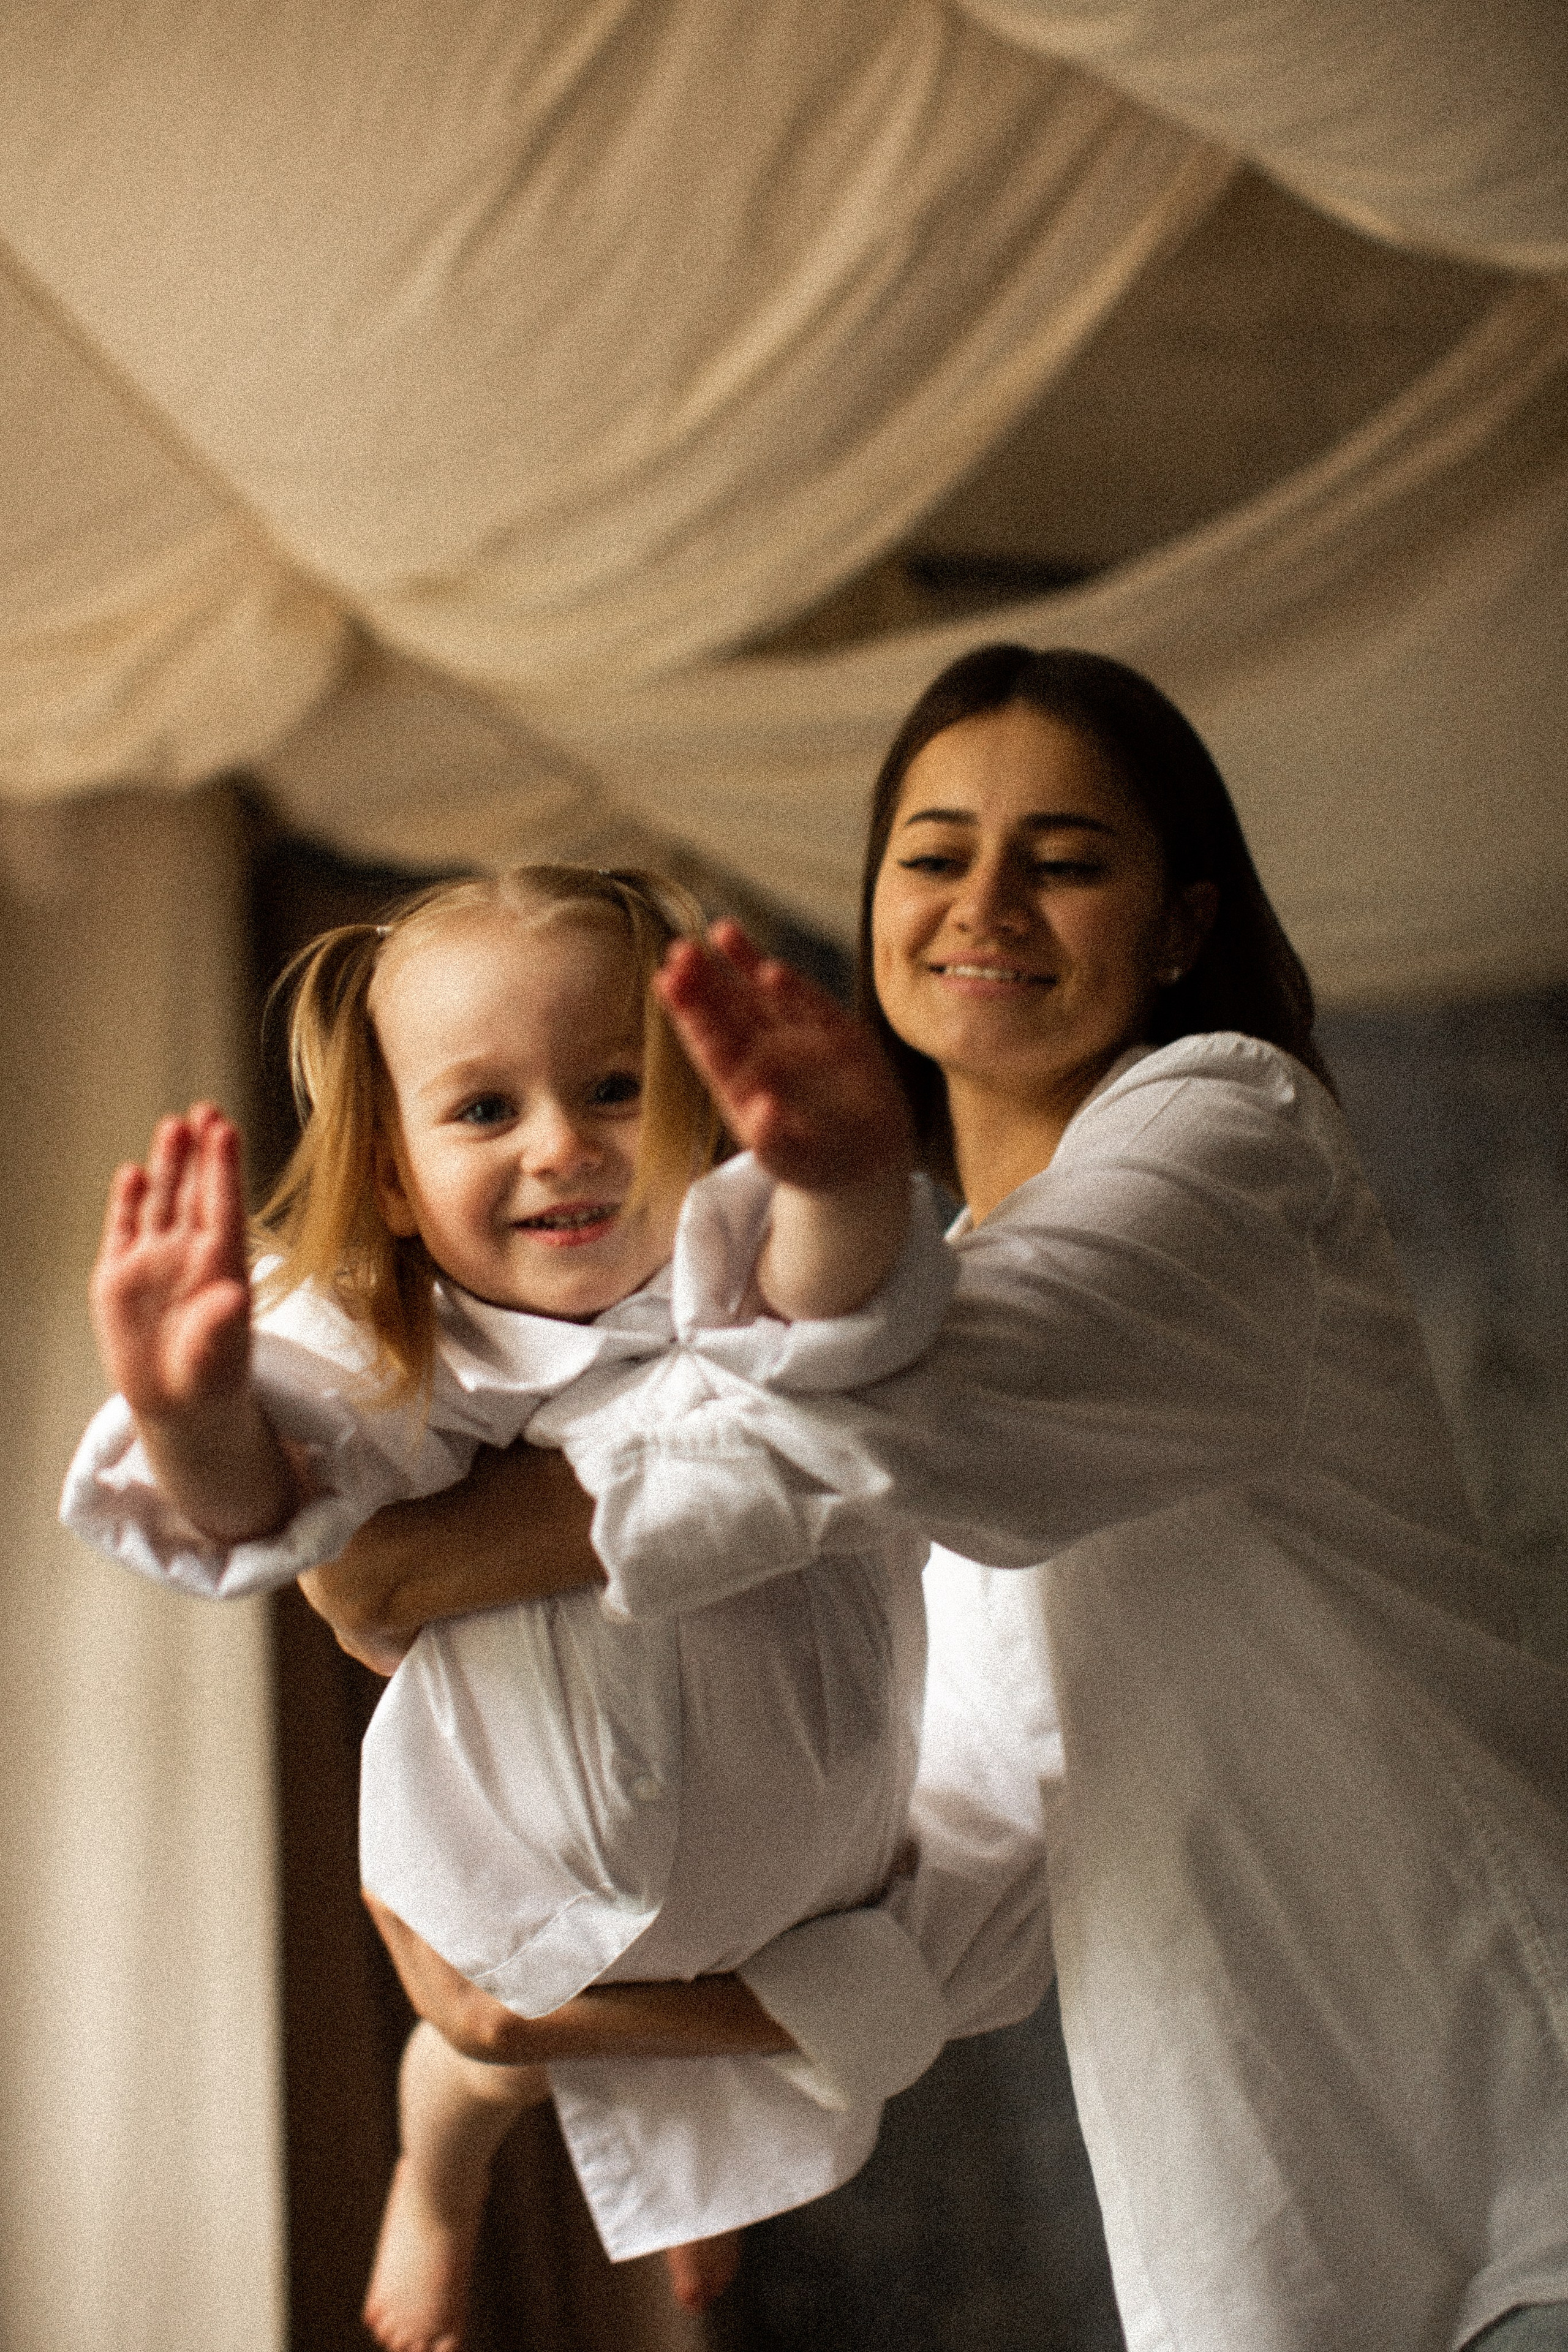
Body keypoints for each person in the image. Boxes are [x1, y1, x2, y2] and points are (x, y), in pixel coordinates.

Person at [313, 647, 1568, 2352]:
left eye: (1064, 858)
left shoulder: (1227, 1133)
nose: (985, 903)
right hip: (1276, 2241)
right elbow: (960, 1904)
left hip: (1519, 2134)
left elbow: (901, 1407)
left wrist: (405, 1564)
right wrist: (530, 2024)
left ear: (1180, 926)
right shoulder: (907, 1308)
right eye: (933, 853)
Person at [61, 863, 960, 2352]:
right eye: (484, 1109)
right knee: (475, 2072)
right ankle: (436, 2185)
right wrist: (193, 1414)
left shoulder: (740, 1278)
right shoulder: (414, 1353)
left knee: (805, 2054)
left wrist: (840, 1176)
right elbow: (269, 1509)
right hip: (526, 1892)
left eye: (613, 1088)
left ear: (704, 1110)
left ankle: (692, 2180)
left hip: (808, 1889)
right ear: (394, 1182)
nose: (561, 1147)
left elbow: (840, 1309)